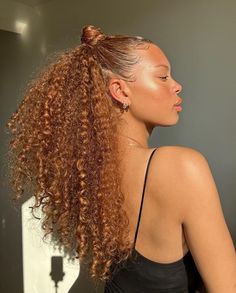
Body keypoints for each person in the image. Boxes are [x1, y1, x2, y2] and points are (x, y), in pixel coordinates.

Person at [6, 25, 236, 293]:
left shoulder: (87, 175)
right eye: (163, 77)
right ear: (120, 90)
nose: (177, 86)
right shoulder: (180, 167)